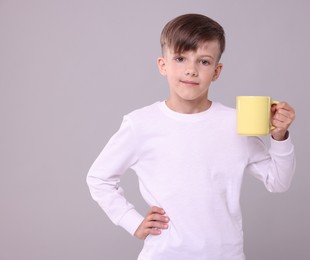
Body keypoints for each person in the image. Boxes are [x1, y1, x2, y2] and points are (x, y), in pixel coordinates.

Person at [86, 13, 296, 260]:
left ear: (216, 71)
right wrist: (131, 221)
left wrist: (280, 136)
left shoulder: (235, 123)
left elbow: (279, 182)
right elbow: (99, 178)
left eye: (204, 62)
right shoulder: (140, 124)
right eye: (180, 58)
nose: (191, 70)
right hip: (164, 254)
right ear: (162, 65)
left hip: (224, 255)